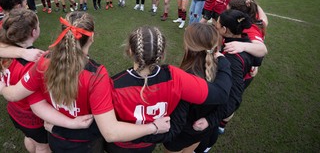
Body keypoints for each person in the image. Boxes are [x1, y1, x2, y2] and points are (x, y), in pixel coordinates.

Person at [0, 12, 171, 152]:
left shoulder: (43, 62)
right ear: (92, 37)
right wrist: (154, 127)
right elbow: (110, 132)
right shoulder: (96, 75)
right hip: (85, 144)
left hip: (56, 137)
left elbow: (19, 96)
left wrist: (2, 88)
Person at [107, 25, 233, 152]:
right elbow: (221, 93)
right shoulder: (175, 77)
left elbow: (105, 127)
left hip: (120, 145)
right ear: (162, 54)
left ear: (130, 51)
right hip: (147, 146)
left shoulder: (112, 84)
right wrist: (223, 61)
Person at [0, 8, 92, 153]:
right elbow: (37, 103)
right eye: (38, 26)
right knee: (43, 147)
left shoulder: (0, 52)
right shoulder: (34, 64)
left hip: (14, 110)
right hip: (31, 118)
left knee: (31, 139)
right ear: (34, 32)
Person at [190, 10, 263, 151]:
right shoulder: (244, 41)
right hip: (222, 91)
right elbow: (258, 58)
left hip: (217, 104)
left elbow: (234, 97)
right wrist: (253, 65)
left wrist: (209, 120)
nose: (215, 25)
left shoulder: (232, 58)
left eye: (217, 24)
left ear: (225, 29)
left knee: (206, 133)